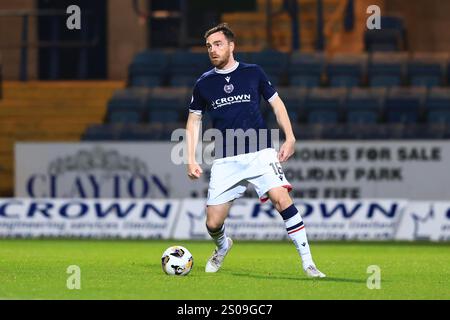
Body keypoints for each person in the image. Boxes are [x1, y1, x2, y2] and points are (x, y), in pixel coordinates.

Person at [185, 23, 325, 278]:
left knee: (281, 198)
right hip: (226, 158)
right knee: (213, 223)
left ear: (231, 46)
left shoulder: (253, 73)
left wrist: (290, 137)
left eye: (217, 44)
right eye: (208, 46)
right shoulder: (203, 84)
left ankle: (309, 263)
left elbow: (277, 105)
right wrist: (190, 158)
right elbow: (194, 121)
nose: (212, 50)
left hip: (260, 152)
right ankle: (223, 245)